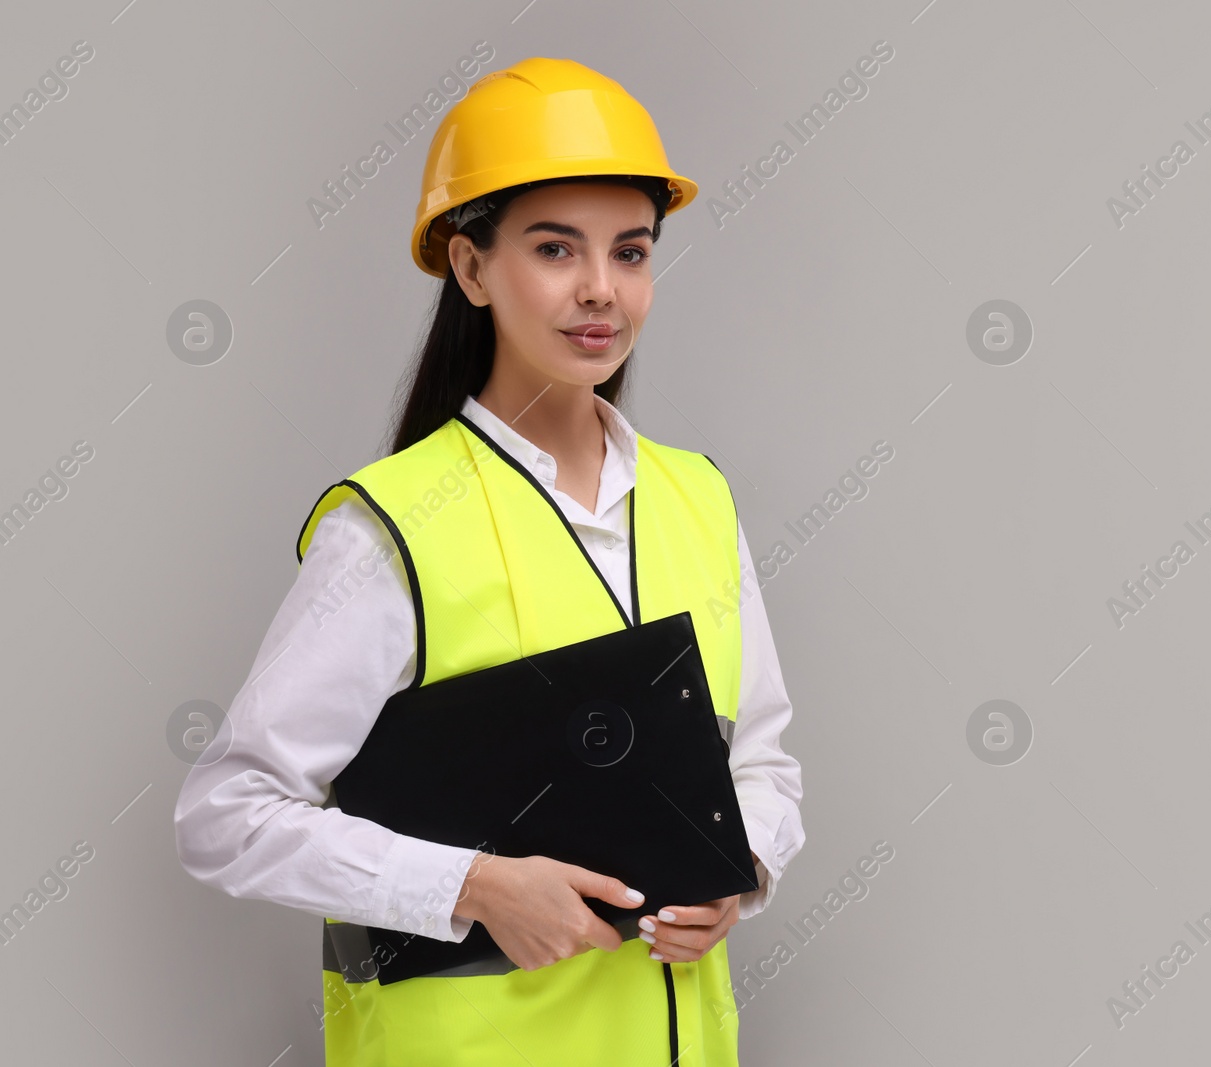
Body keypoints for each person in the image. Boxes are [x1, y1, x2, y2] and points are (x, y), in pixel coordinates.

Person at [172, 57, 804, 1067]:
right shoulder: (395, 526)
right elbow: (227, 814)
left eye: (630, 252)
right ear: (470, 268)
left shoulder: (700, 499)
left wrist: (741, 870)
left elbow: (760, 759)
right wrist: (473, 884)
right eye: (555, 248)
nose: (601, 288)